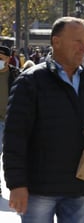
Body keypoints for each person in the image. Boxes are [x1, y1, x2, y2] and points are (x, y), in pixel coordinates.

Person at [2, 16, 84, 222]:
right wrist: (17, 184)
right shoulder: (30, 81)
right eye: (77, 41)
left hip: (79, 187)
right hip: (39, 189)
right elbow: (14, 137)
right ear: (56, 42)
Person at [0, 45, 21, 197]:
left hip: (13, 120)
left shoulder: (16, 74)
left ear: (8, 59)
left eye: (1, 58)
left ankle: (18, 184)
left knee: (14, 154)